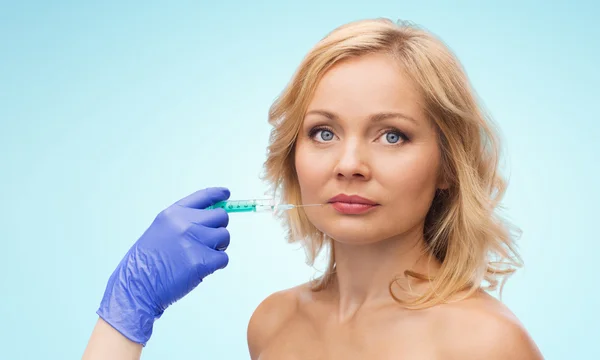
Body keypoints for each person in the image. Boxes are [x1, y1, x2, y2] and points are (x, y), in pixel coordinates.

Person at [82, 18, 544, 359]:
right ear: (293, 155)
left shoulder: (484, 343)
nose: (349, 165)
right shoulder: (273, 323)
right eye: (324, 132)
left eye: (392, 135)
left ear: (448, 165)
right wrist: (125, 314)